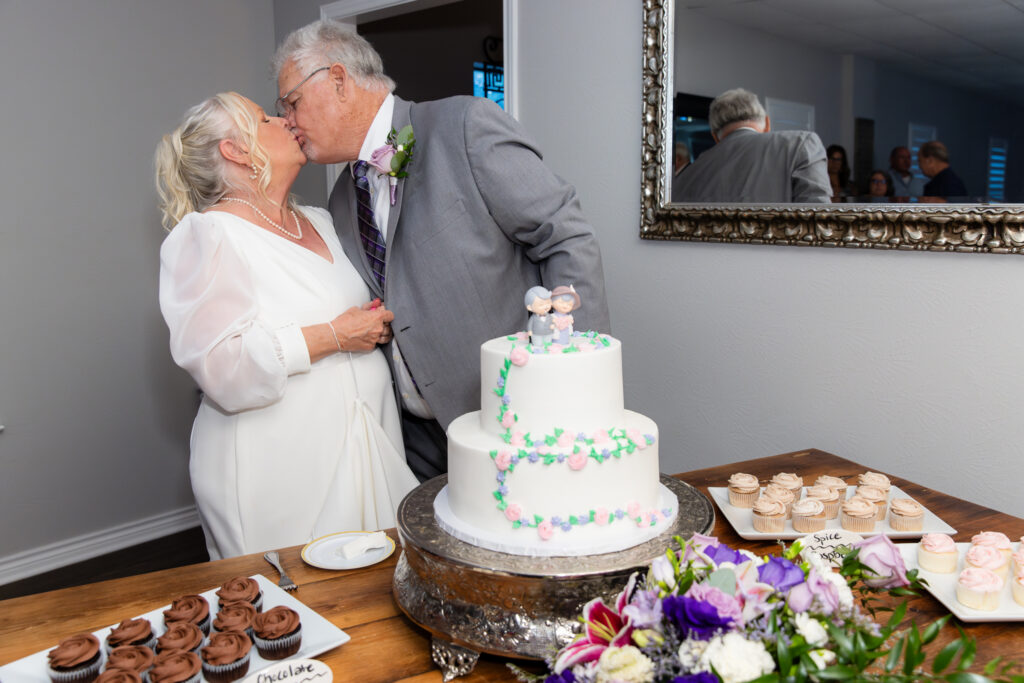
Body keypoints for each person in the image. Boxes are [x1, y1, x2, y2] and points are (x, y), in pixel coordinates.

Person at [272, 21, 610, 481]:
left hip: (514, 415)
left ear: (337, 80)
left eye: (291, 102)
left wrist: (576, 374)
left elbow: (565, 236)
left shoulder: (465, 126)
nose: (288, 120)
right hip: (415, 442)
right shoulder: (340, 200)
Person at [155, 92, 418, 560]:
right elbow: (222, 367)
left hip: (365, 437)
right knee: (291, 611)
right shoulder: (209, 235)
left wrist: (371, 323)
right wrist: (333, 336)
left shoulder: (320, 219)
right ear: (234, 150)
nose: (284, 120)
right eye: (264, 118)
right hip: (278, 459)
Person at [671, 88, 830, 203]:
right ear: (767, 123)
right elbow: (819, 222)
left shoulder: (685, 176)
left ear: (714, 136)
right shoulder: (800, 145)